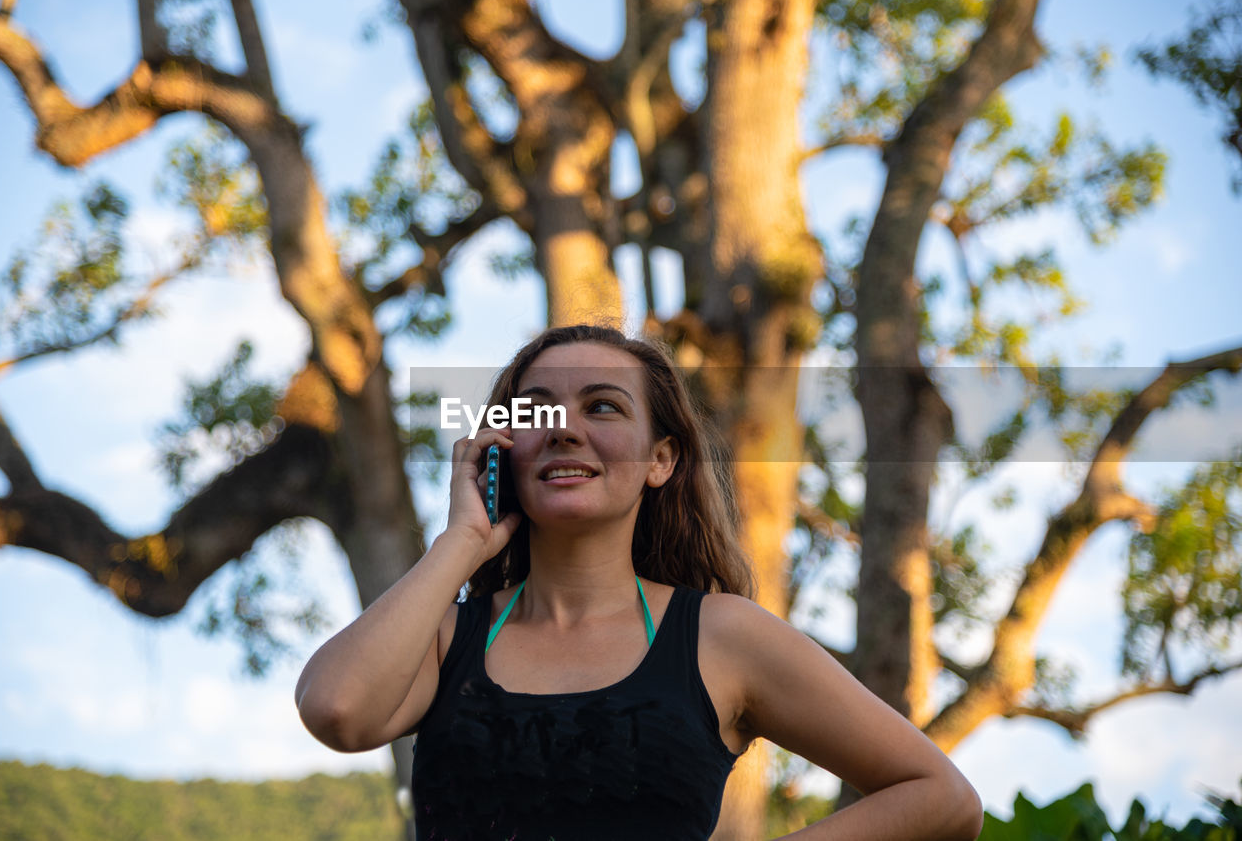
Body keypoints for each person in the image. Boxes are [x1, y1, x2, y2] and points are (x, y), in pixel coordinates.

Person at [295, 324, 984, 840]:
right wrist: (462, 542)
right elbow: (337, 710)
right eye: (535, 410)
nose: (563, 428)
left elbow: (941, 796)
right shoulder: (448, 639)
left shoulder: (721, 635)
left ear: (661, 460)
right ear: (500, 450)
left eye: (602, 407)